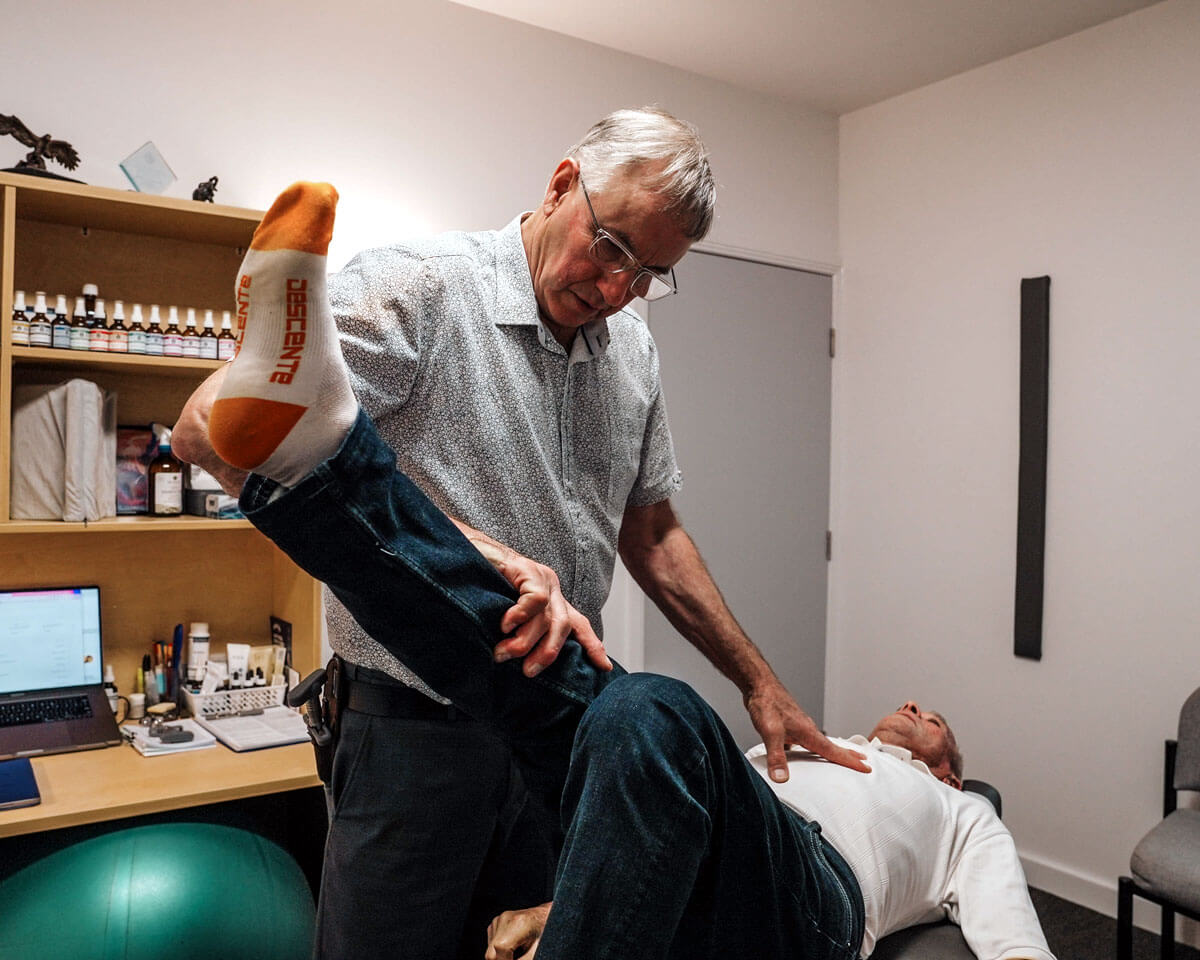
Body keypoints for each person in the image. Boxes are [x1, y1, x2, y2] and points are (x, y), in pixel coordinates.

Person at [178, 181, 1054, 960]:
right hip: (413, 727)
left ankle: (329, 451)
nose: (617, 290)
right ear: (565, 187)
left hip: (571, 724)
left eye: (648, 275)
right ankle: (327, 446)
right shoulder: (420, 282)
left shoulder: (961, 811)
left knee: (637, 709)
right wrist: (499, 554)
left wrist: (758, 681)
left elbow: (656, 532)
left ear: (949, 770)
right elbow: (205, 425)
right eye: (613, 249)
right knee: (643, 710)